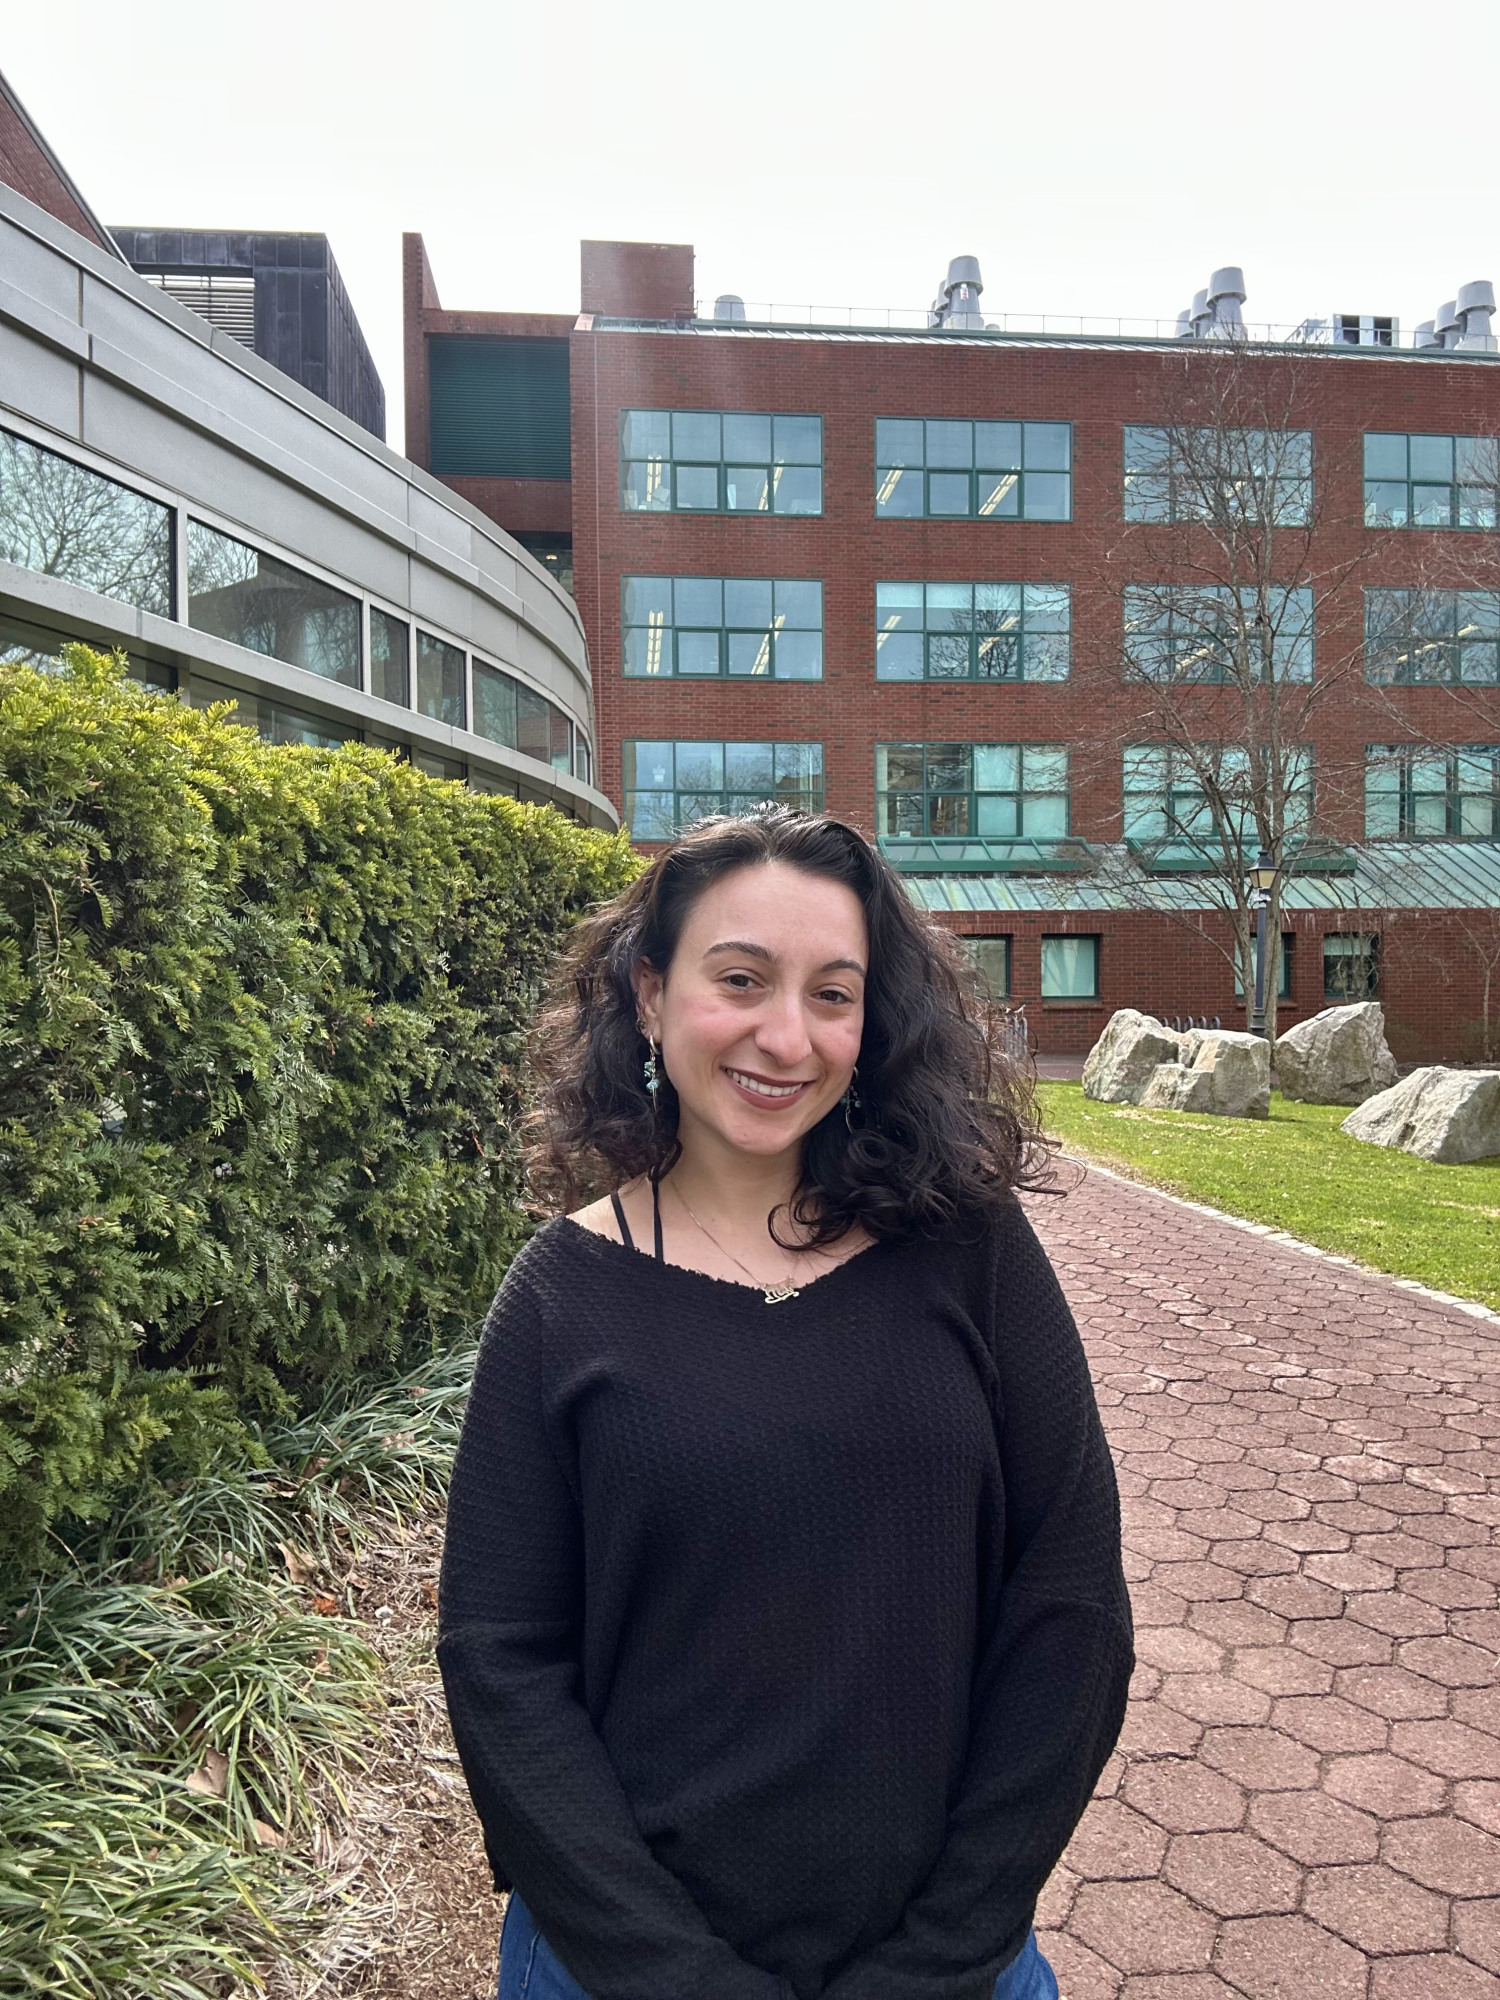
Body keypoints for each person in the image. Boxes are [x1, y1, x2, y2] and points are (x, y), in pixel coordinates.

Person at [438, 808, 1132, 2000]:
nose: (786, 1035)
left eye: (833, 992)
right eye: (741, 978)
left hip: (952, 1966)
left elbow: (1070, 1604)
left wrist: (939, 1956)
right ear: (650, 997)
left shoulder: (971, 1251)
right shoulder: (559, 1297)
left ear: (874, 1022)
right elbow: (501, 1660)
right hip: (616, 1972)